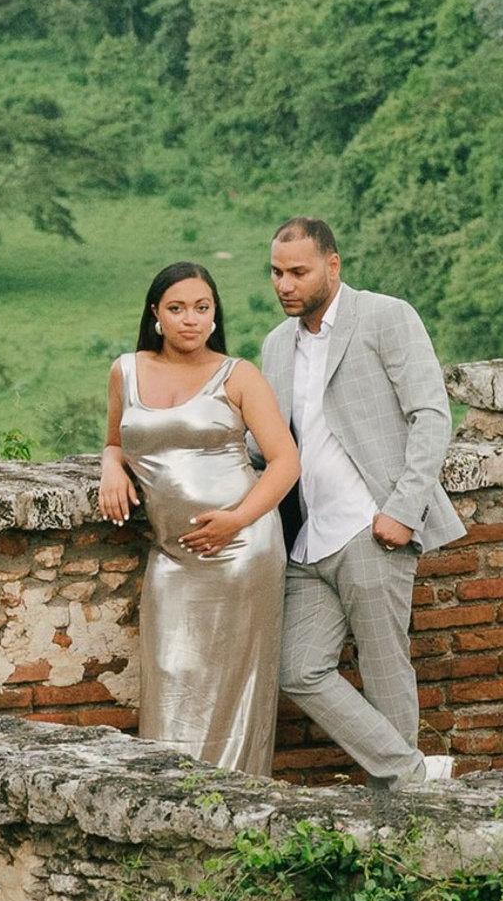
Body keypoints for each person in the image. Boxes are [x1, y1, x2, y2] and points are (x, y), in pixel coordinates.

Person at [259, 217, 461, 786]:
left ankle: (404, 813)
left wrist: (403, 509)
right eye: (276, 272)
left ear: (332, 264)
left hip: (372, 527)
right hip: (307, 538)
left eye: (298, 271)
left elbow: (431, 414)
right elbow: (266, 446)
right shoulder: (276, 346)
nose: (285, 284)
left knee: (384, 668)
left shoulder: (385, 316)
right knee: (297, 669)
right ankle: (415, 775)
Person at [98, 262, 300, 775]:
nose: (191, 319)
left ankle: (240, 806)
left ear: (215, 315)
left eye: (202, 308)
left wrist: (236, 520)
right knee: (171, 673)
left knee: (236, 685)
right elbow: (116, 441)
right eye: (177, 308)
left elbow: (285, 461)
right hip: (172, 554)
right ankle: (168, 801)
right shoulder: (126, 369)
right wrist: (109, 468)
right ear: (156, 315)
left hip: (243, 550)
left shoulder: (239, 375)